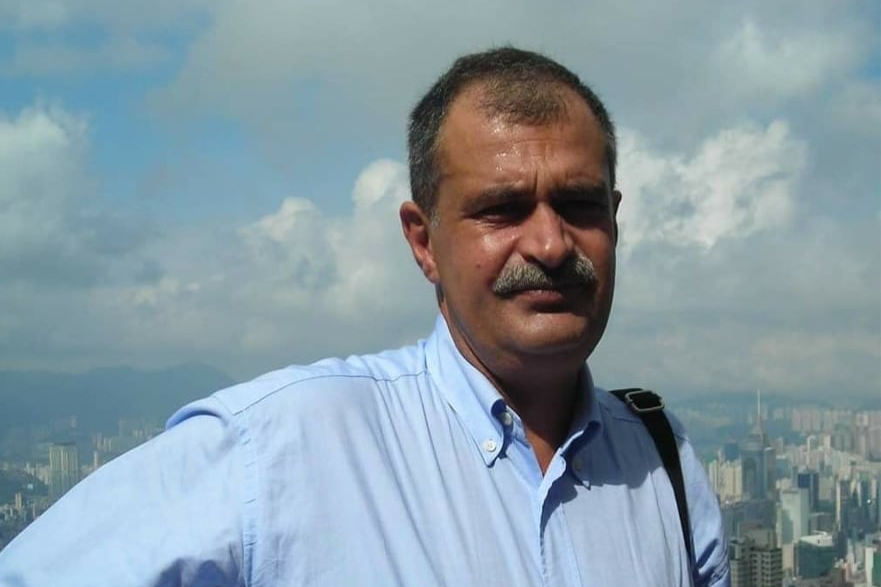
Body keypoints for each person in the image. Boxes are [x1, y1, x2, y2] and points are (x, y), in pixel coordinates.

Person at [0, 47, 729, 586]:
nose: (548, 243)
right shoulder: (281, 449)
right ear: (424, 241)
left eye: (578, 204)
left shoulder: (660, 460)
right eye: (502, 209)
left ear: (614, 219)